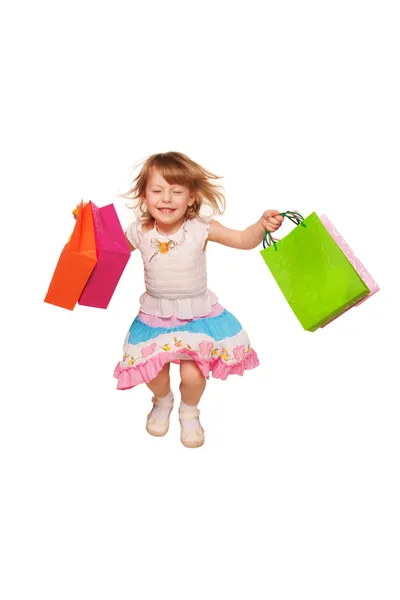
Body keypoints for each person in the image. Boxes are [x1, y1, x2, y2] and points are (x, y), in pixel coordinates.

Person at [76, 152, 284, 448]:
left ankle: (189, 410)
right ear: (144, 196)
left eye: (176, 191)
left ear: (191, 197)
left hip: (198, 317)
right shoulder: (139, 231)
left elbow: (242, 240)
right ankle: (162, 400)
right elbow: (108, 252)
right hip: (154, 319)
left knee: (194, 375)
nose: (166, 199)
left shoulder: (201, 228)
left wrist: (261, 226)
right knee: (154, 372)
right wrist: (85, 230)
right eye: (157, 191)